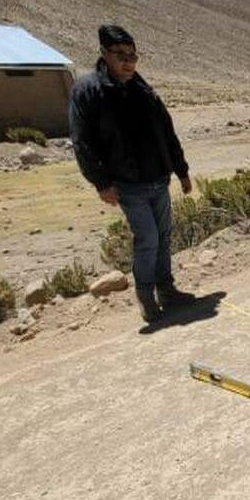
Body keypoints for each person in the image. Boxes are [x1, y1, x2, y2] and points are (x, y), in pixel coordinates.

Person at [69, 25, 195, 323]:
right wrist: (101, 182)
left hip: (157, 178)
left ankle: (167, 290)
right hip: (128, 183)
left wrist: (182, 170)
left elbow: (167, 130)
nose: (128, 62)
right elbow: (81, 141)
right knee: (147, 238)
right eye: (120, 56)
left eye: (132, 56)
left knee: (163, 235)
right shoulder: (88, 92)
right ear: (104, 54)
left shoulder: (144, 90)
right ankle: (146, 296)